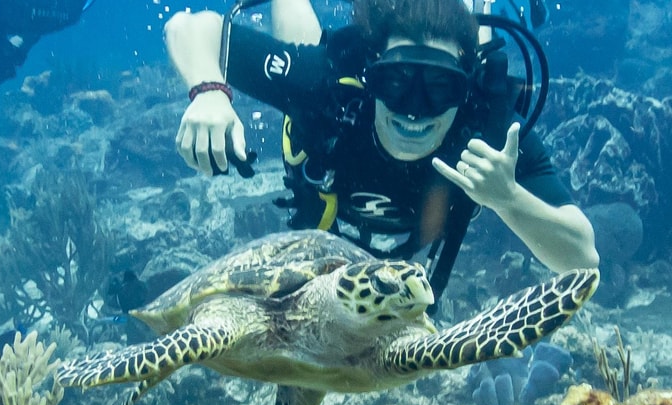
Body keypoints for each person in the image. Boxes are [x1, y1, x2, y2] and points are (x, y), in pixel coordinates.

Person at [163, 0, 598, 302]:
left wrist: (509, 198)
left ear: (464, 92)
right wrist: (208, 91)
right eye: (397, 81)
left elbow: (582, 257)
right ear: (372, 76)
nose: (414, 111)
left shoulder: (488, 132)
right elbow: (188, 27)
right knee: (308, 54)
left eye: (439, 87)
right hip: (324, 120)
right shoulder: (332, 88)